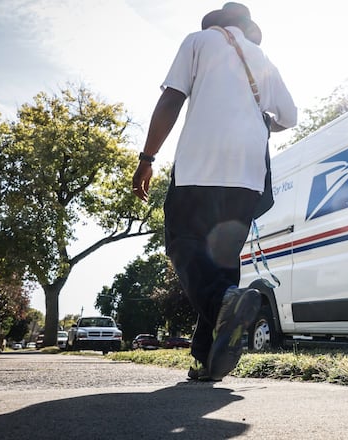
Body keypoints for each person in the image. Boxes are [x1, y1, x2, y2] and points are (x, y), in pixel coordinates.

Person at [131, 3, 297, 381]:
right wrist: (259, 121)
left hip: (200, 164)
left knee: (182, 241)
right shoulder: (263, 59)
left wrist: (147, 157)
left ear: (219, 23)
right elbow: (290, 117)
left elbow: (172, 98)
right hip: (249, 172)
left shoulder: (199, 41)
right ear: (247, 28)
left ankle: (222, 301)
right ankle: (207, 357)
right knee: (222, 259)